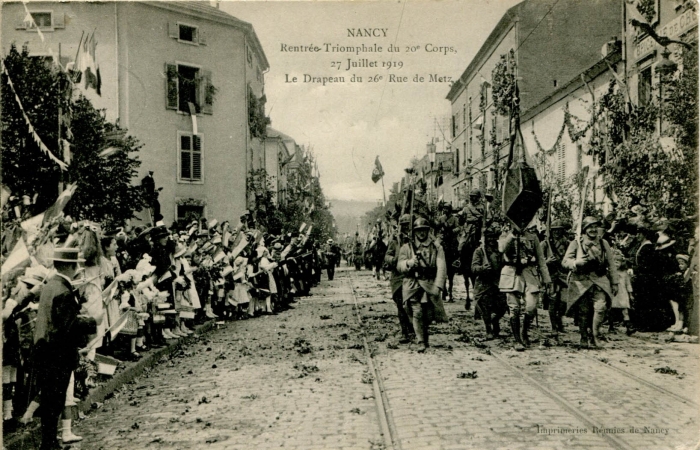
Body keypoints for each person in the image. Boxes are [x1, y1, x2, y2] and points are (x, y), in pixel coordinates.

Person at [34, 248, 96, 449]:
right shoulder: (63, 291)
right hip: (57, 352)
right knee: (55, 399)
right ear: (71, 266)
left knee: (50, 399)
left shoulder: (50, 285)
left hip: (45, 349)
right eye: (76, 265)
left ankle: (49, 441)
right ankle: (49, 443)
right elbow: (67, 326)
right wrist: (91, 322)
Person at [562, 216, 618, 349]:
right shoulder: (576, 243)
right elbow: (565, 262)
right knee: (583, 311)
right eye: (590, 227)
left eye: (595, 226)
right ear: (585, 229)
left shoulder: (603, 243)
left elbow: (611, 264)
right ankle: (583, 336)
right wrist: (576, 262)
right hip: (581, 281)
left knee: (600, 307)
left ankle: (595, 335)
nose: (593, 229)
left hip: (599, 279)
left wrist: (615, 282)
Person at [397, 218, 447, 353]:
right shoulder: (407, 247)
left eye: (424, 230)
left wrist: (438, 285)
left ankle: (424, 334)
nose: (421, 234)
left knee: (429, 314)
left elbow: (441, 266)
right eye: (418, 231)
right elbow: (399, 265)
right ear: (414, 232)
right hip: (412, 284)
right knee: (417, 311)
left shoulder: (436, 247)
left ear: (428, 231)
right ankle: (420, 340)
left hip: (429, 284)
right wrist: (409, 263)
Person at [498, 223, 551, 351]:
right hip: (512, 273)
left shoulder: (533, 237)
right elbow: (502, 249)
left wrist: (546, 278)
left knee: (531, 306)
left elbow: (541, 260)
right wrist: (512, 235)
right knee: (514, 308)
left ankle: (524, 332)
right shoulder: (505, 235)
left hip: (530, 273)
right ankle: (517, 340)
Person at [471, 222, 506, 339]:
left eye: (494, 237)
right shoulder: (479, 251)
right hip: (483, 285)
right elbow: (474, 268)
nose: (491, 239)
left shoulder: (500, 251)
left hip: (498, 283)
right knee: (485, 306)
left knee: (503, 307)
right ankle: (488, 329)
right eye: (489, 237)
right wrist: (482, 268)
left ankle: (495, 321)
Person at [384, 214, 415, 343]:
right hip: (398, 276)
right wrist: (394, 260)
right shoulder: (395, 241)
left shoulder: (415, 240)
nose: (407, 228)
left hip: (412, 276)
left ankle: (414, 329)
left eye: (409, 225)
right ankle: (405, 332)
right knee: (401, 304)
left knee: (413, 305)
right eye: (404, 226)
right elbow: (387, 256)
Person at [541, 220, 571, 341]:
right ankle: (554, 327)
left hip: (563, 274)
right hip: (551, 275)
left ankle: (560, 321)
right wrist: (547, 261)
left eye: (559, 230)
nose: (557, 232)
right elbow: (539, 260)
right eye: (555, 230)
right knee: (553, 301)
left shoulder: (567, 243)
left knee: (564, 302)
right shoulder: (545, 244)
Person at [459, 189, 486, 311]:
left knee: (487, 245)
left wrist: (480, 222)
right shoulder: (466, 208)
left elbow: (486, 220)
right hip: (468, 230)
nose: (472, 198)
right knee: (461, 244)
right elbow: (461, 222)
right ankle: (458, 261)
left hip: (480, 230)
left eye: (474, 196)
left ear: (478, 197)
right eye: (471, 196)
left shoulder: (482, 207)